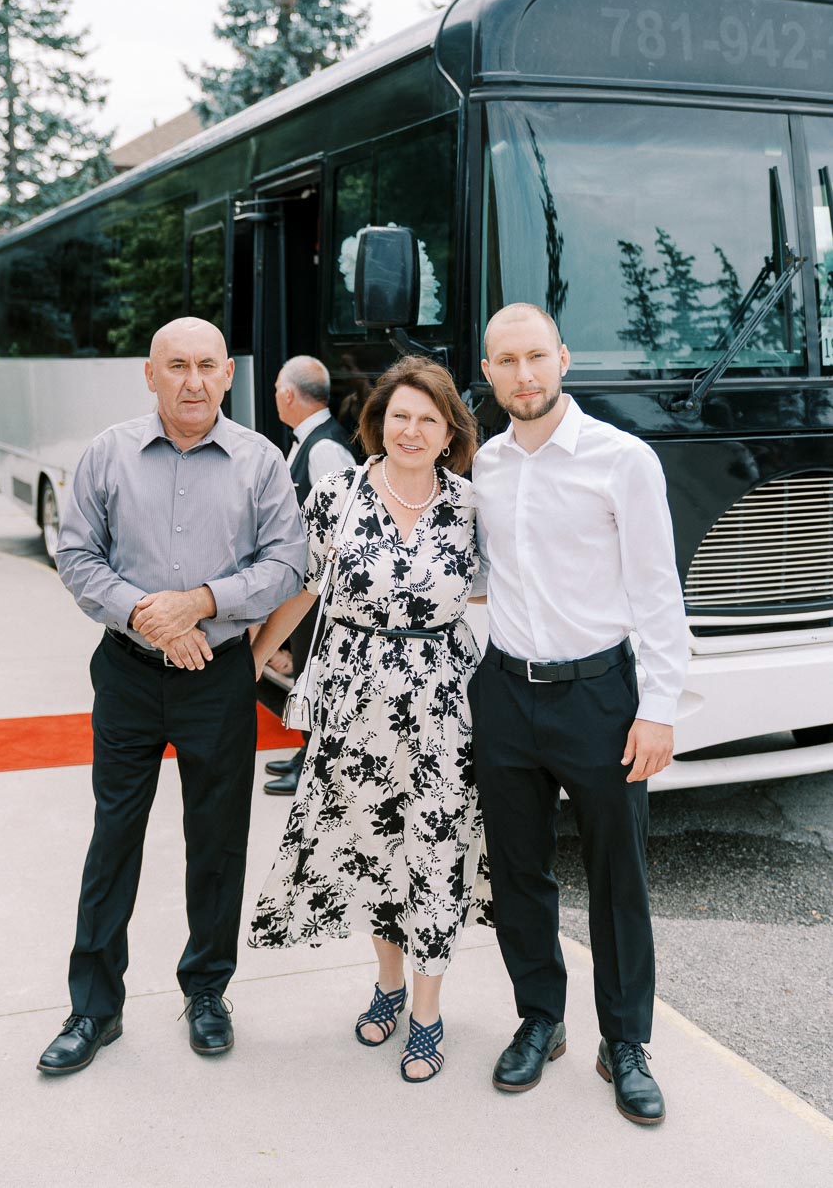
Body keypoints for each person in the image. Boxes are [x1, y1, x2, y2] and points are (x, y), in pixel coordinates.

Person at [37, 317, 306, 1075]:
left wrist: (202, 602)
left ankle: (208, 992)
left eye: (207, 366)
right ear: (149, 375)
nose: (193, 381)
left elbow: (288, 563)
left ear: (228, 376)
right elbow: (77, 554)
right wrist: (148, 616)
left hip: (217, 678)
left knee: (217, 841)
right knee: (113, 836)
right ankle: (94, 1008)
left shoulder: (260, 462)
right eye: (176, 365)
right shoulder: (108, 454)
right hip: (126, 672)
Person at [469, 303, 687, 1125]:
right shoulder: (485, 466)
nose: (523, 375)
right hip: (506, 693)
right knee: (518, 869)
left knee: (617, 874)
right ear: (486, 373)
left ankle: (625, 1041)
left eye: (536, 357)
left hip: (601, 695)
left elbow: (657, 591)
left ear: (563, 357)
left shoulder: (621, 459)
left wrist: (657, 708)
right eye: (506, 362)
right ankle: (539, 1018)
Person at [248, 356, 485, 1084]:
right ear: (377, 421)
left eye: (428, 418)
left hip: (444, 708)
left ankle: (426, 1011)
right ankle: (386, 984)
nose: (411, 429)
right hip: (357, 710)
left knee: (436, 853)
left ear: (450, 433)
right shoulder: (338, 493)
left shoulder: (473, 505)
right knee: (374, 850)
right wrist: (251, 662)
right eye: (399, 415)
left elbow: (505, 599)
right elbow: (301, 585)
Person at [262, 356, 356, 796]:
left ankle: (316, 767)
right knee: (305, 675)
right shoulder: (308, 441)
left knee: (316, 676)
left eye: (277, 387)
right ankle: (306, 753)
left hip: (322, 594)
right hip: (307, 588)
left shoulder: (325, 448)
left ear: (287, 394)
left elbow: (344, 525)